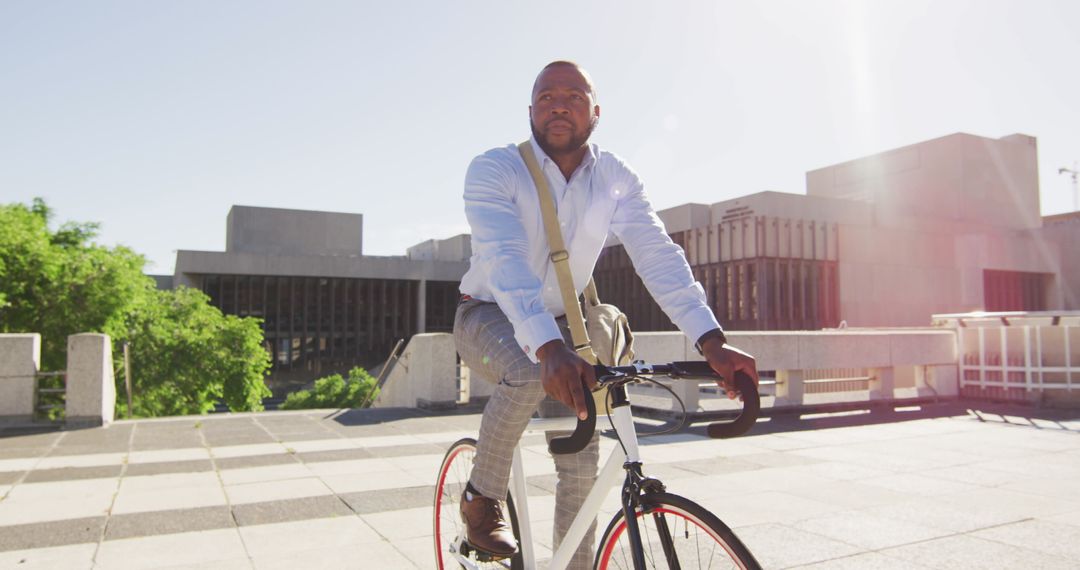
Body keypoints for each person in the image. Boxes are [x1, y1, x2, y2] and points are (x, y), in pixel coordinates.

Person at [454, 60, 759, 568]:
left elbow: (657, 255)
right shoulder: (494, 168)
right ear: (530, 111)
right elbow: (505, 260)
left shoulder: (615, 177)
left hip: (566, 325)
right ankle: (480, 498)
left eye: (574, 97)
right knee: (528, 369)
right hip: (486, 314)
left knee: (581, 461)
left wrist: (710, 340)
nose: (559, 106)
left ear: (596, 112)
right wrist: (547, 347)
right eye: (547, 97)